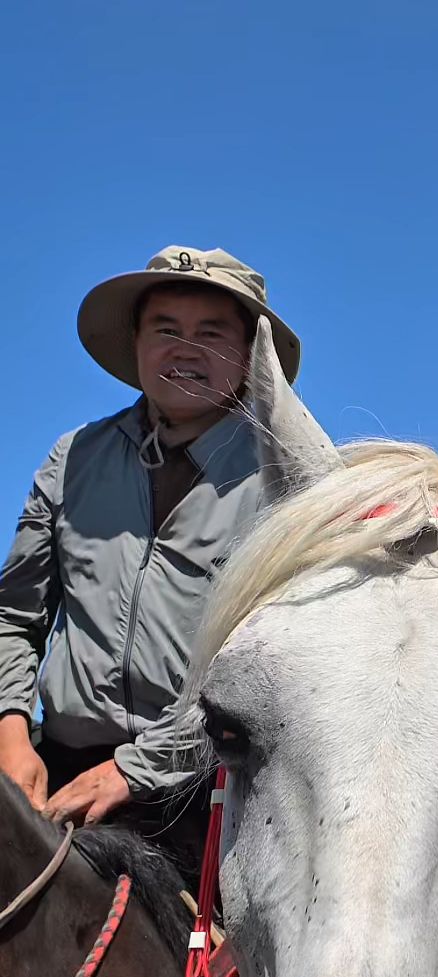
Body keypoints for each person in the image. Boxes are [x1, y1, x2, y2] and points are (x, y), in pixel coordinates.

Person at [0, 245, 299, 871]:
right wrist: (8, 730)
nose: (185, 348)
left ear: (249, 359)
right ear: (135, 343)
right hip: (57, 773)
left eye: (210, 333)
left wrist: (138, 770)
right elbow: (14, 616)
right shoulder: (72, 458)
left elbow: (273, 666)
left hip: (213, 792)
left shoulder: (286, 482)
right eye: (166, 329)